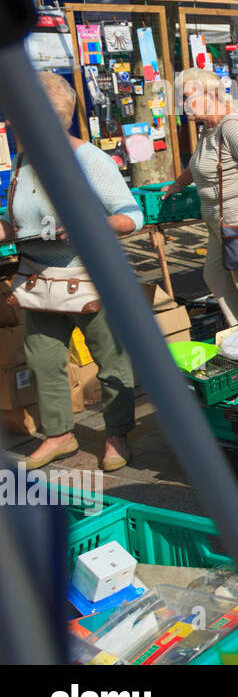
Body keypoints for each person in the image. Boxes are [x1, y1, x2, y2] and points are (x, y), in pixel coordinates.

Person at [1, 73, 143, 471]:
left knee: (110, 361)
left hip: (91, 279)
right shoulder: (23, 162)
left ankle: (117, 434)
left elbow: (133, 216)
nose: (11, 124)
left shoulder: (90, 160)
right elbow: (17, 223)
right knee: (43, 361)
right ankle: (60, 435)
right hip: (38, 282)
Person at [165, 68, 238, 326]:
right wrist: (177, 184)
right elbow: (199, 165)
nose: (182, 104)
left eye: (187, 96)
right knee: (216, 276)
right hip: (223, 224)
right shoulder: (210, 130)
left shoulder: (232, 127)